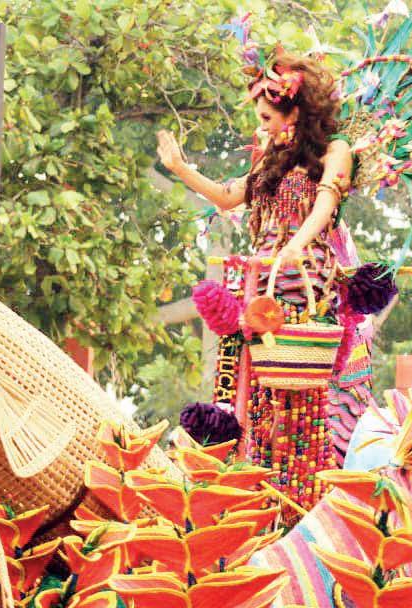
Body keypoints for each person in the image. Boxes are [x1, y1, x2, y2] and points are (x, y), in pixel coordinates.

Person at [157, 51, 352, 512]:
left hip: (303, 285)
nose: (261, 126)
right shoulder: (272, 158)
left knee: (298, 403)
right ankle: (257, 497)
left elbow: (325, 204)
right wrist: (180, 167)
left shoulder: (335, 151)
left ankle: (298, 504)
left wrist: (295, 246)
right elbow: (228, 197)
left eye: (266, 117)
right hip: (259, 285)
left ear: (295, 112)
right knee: (258, 397)